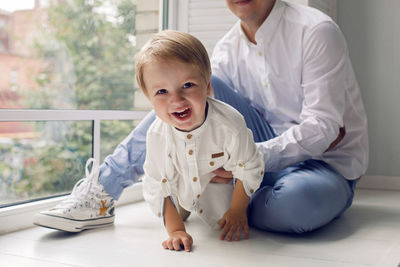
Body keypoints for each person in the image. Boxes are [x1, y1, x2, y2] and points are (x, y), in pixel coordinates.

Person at [34, 0, 368, 236]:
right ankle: (103, 190)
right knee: (188, 91)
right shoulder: (225, 50)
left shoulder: (316, 31)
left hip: (323, 165)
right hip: (258, 153)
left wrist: (245, 161)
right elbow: (197, 117)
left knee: (296, 208)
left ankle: (223, 199)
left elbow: (325, 129)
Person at [136, 30, 264, 251]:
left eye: (187, 85)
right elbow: (158, 184)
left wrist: (237, 211)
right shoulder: (157, 135)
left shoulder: (230, 124)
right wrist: (176, 231)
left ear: (207, 86)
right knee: (177, 204)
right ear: (149, 98)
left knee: (239, 214)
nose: (176, 100)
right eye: (162, 91)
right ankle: (183, 210)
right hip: (180, 190)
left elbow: (249, 167)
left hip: (219, 195)